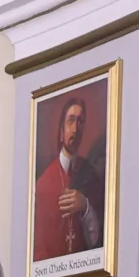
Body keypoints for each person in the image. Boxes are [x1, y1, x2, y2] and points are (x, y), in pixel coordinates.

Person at [33, 96, 104, 260]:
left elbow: (99, 243)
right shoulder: (44, 183)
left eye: (80, 122)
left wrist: (85, 206)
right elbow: (39, 247)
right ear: (61, 132)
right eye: (71, 121)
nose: (75, 128)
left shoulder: (91, 176)